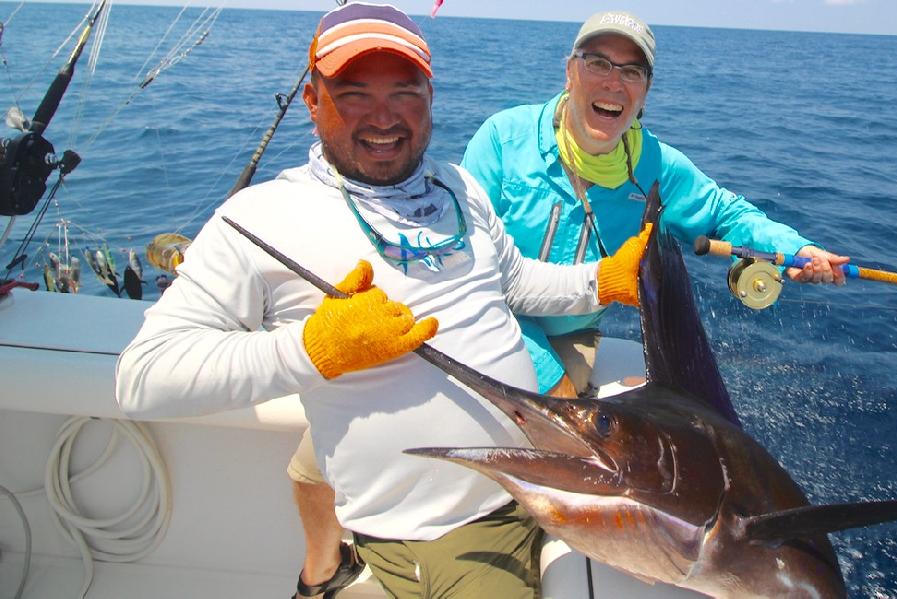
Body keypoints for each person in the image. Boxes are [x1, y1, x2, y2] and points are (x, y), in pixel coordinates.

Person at [114, 3, 651, 599]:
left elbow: (516, 282)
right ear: (312, 100)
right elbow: (143, 379)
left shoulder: (457, 184)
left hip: (539, 476)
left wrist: (602, 282)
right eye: (352, 92)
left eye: (404, 91)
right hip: (447, 534)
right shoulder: (256, 220)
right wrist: (314, 350)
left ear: (430, 96)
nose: (384, 116)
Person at [461, 10, 851, 399]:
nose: (614, 82)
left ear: (646, 90)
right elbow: (464, 274)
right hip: (491, 322)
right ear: (570, 72)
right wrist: (549, 379)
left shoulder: (658, 166)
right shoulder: (502, 139)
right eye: (598, 63)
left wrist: (797, 248)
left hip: (572, 337)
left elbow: (726, 214)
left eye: (632, 72)